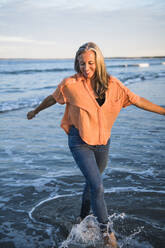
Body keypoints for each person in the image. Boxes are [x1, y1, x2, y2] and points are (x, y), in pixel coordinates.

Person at [27, 42, 165, 247]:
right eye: (81, 64)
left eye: (90, 63)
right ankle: (107, 234)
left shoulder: (114, 85)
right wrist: (35, 111)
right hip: (79, 141)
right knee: (98, 186)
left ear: (98, 62)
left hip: (102, 142)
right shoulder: (70, 84)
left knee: (92, 184)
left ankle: (81, 219)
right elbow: (52, 98)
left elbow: (137, 100)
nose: (86, 68)